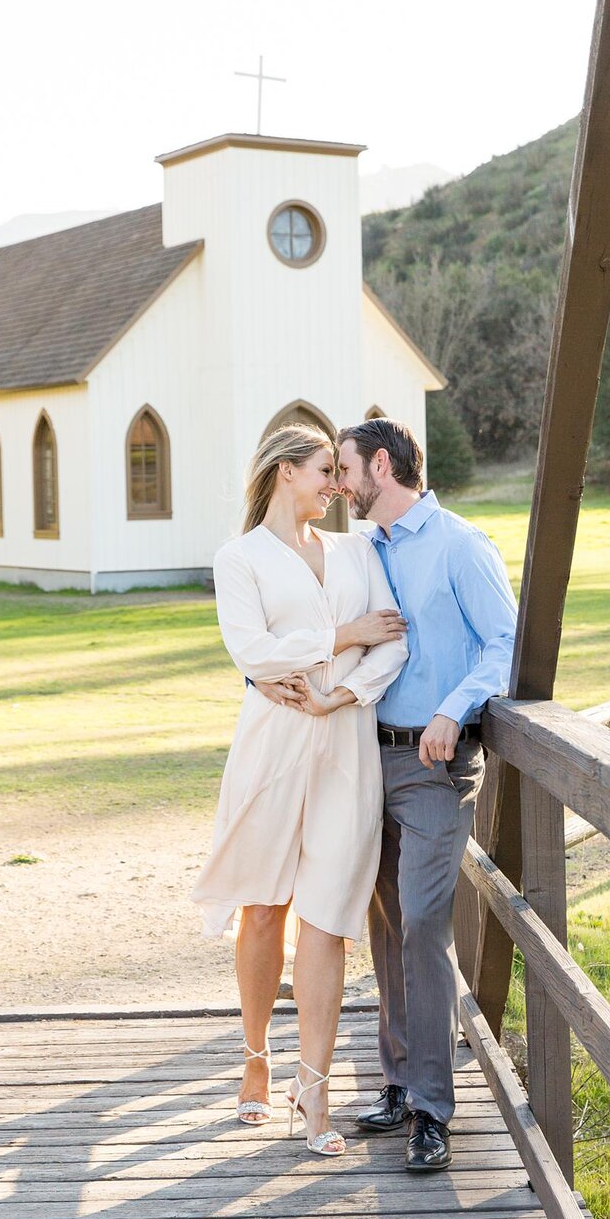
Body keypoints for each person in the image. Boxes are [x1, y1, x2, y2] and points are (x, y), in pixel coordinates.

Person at [191, 423, 408, 1157]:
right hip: (274, 745)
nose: (336, 485)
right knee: (263, 908)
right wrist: (344, 633)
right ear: (287, 472)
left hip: (344, 742)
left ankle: (313, 1091)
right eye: (325, 470)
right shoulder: (240, 558)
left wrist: (339, 694)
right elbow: (253, 652)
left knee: (327, 917)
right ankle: (256, 1058)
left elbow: (395, 640)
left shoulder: (357, 551)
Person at [335, 417, 517, 1173]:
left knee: (420, 926)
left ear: (382, 465)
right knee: (383, 931)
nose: (340, 482)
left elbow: (505, 642)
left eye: (345, 468)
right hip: (363, 760)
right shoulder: (363, 551)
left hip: (435, 763)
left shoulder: (460, 544)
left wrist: (454, 706)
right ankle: (401, 1083)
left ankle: (434, 1111)